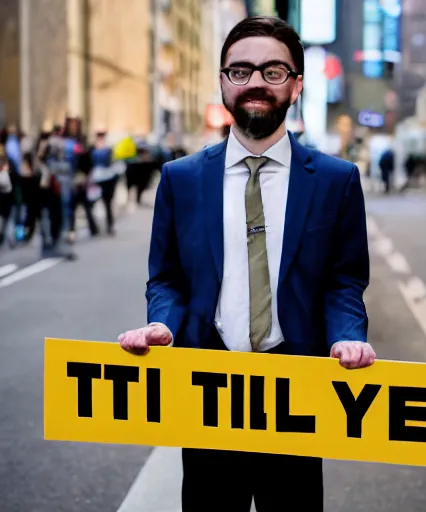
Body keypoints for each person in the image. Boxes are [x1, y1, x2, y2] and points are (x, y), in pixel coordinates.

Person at [119, 16, 375, 512]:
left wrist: (347, 333)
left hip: (297, 393)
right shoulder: (181, 178)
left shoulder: (335, 180)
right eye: (240, 71)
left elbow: (344, 280)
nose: (255, 81)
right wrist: (162, 326)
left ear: (297, 85)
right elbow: (167, 278)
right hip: (207, 392)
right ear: (222, 82)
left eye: (273, 71)